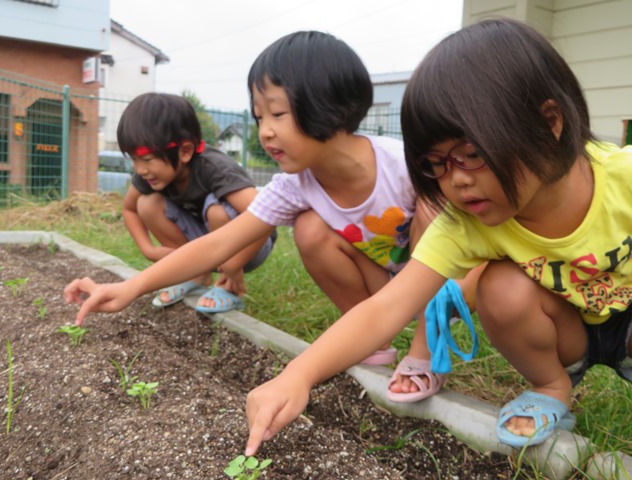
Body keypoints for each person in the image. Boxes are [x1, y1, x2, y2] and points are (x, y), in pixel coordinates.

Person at [242, 18, 632, 456]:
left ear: (548, 123)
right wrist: (297, 374)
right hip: (569, 329)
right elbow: (386, 307)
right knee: (500, 287)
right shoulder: (467, 221)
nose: (456, 181)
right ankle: (552, 385)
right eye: (436, 164)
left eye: (471, 154)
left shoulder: (623, 178)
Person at [65, 32, 475, 387]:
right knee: (309, 228)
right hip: (386, 284)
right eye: (259, 117)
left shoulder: (403, 166)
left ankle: (425, 348)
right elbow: (217, 244)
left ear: (331, 108)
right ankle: (371, 338)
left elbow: (468, 244)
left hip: (448, 280)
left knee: (433, 210)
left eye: (278, 114)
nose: (265, 131)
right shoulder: (296, 185)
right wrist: (131, 287)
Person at [118, 92, 276, 313]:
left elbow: (269, 214)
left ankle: (229, 287)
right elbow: (130, 209)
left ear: (185, 151)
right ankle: (196, 274)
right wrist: (148, 249)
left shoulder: (216, 169)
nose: (140, 170)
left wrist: (233, 264)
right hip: (206, 245)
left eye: (147, 159)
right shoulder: (151, 174)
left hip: (250, 244)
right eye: (134, 159)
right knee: (147, 203)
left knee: (217, 210)